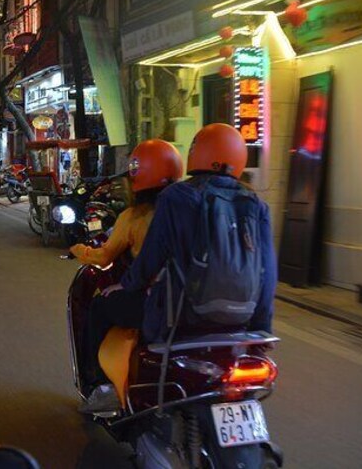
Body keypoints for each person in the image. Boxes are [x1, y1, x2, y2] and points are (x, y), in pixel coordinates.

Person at [93, 124, 276, 410]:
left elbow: (152, 256)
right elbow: (267, 273)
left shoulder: (177, 197)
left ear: (196, 154)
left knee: (100, 307)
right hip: (239, 323)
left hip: (178, 320)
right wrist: (261, 330)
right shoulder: (256, 205)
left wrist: (125, 285)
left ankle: (101, 388)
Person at [75, 140, 183, 413]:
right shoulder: (194, 210)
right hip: (192, 303)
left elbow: (106, 257)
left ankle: (102, 386)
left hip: (157, 302)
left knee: (99, 307)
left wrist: (79, 250)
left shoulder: (136, 216)